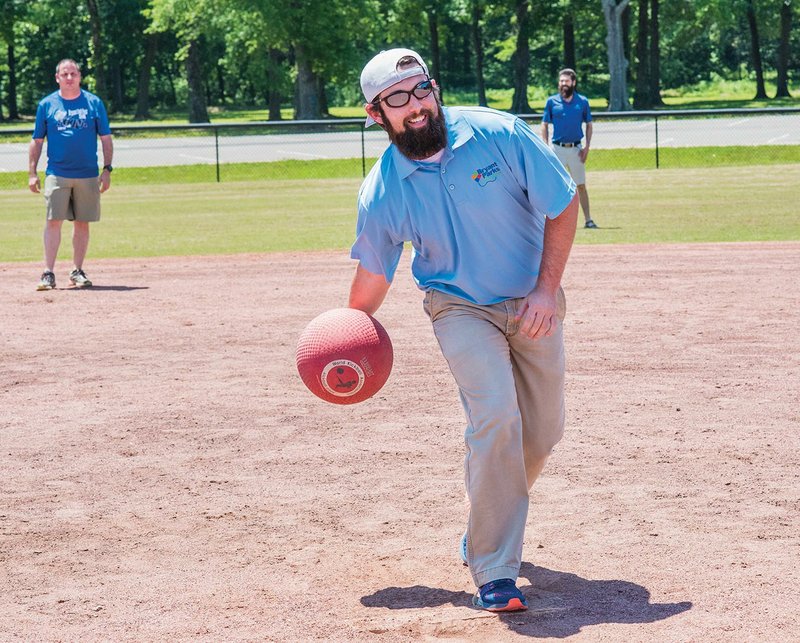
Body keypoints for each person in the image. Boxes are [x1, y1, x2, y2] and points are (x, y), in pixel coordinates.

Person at [348, 48, 578, 613]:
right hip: (459, 308)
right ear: (377, 115)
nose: (416, 105)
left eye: (421, 89)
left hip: (533, 302)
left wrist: (546, 291)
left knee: (542, 433)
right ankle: (494, 569)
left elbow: (563, 204)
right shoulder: (383, 188)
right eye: (397, 99)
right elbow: (374, 274)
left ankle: (480, 530)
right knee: (495, 415)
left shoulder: (500, 133)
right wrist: (346, 335)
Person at [29, 58, 113, 291]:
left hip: (87, 173)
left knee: (82, 223)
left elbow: (106, 138)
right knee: (53, 221)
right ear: (57, 77)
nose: (69, 78)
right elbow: (37, 140)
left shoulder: (94, 103)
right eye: (64, 74)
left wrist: (107, 169)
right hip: (58, 172)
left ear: (79, 76)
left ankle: (77, 271)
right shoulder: (47, 105)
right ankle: (48, 273)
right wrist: (32, 173)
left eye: (73, 73)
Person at [540, 68, 596, 229]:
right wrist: (546, 146)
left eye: (566, 81)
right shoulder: (552, 102)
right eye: (561, 81)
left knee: (581, 185)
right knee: (552, 185)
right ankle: (547, 221)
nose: (563, 84)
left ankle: (588, 220)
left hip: (575, 149)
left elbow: (589, 125)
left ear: (574, 82)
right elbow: (544, 124)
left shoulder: (582, 102)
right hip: (557, 149)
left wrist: (587, 147)